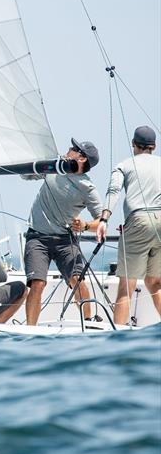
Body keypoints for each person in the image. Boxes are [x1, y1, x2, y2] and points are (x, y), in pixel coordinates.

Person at [22, 138, 103, 325]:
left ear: (81, 159)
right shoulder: (55, 166)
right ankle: (30, 330)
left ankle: (89, 322)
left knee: (77, 280)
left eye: (74, 149)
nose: (69, 149)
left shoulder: (87, 188)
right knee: (38, 283)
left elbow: (101, 221)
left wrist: (84, 226)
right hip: (37, 238)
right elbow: (26, 175)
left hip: (65, 240)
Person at [96, 126, 161, 324]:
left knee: (126, 287)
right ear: (154, 146)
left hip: (138, 221)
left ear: (133, 144)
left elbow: (113, 190)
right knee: (155, 282)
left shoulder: (124, 165)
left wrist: (104, 219)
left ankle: (118, 341)